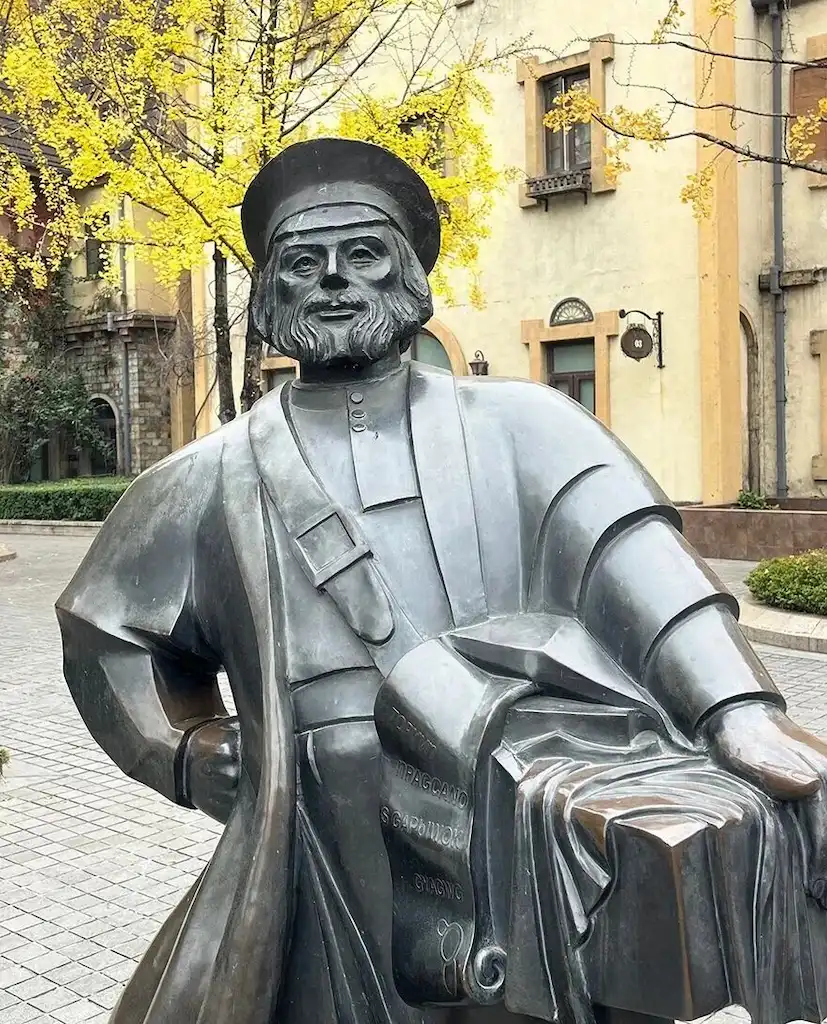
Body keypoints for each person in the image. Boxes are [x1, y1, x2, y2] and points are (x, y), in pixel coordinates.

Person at [57, 138, 827, 1024]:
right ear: (270, 292)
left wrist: (737, 712)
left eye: (363, 255)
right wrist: (186, 753)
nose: (334, 281)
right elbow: (105, 631)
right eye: (303, 263)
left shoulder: (528, 424)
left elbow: (637, 561)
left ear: (408, 275)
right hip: (319, 829)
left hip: (519, 795)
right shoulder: (202, 478)